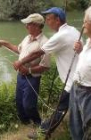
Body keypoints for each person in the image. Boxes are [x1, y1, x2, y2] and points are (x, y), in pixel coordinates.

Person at [13, 7, 82, 139]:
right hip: (79, 78)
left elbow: (38, 53)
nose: (47, 22)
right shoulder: (72, 30)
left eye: (49, 19)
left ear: (58, 20)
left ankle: (43, 132)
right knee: (69, 109)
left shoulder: (59, 36)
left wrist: (20, 63)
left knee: (63, 109)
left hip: (74, 81)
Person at [0, 13, 50, 125]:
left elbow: (45, 67)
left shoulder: (45, 43)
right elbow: (18, 50)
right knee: (19, 102)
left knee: (29, 105)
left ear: (36, 25)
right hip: (21, 76)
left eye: (28, 24)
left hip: (32, 78)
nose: (26, 26)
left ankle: (38, 123)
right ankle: (25, 122)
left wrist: (29, 70)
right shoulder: (27, 38)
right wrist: (5, 43)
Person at [69, 6, 91, 140]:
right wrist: (81, 51)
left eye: (85, 21)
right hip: (76, 88)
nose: (83, 24)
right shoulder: (88, 41)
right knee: (75, 125)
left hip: (88, 93)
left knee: (88, 128)